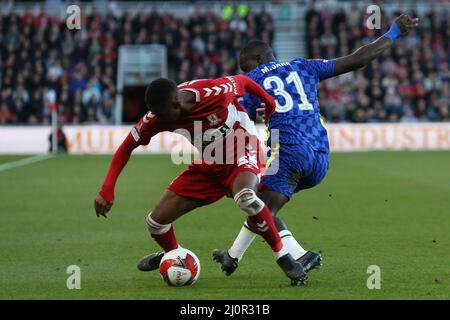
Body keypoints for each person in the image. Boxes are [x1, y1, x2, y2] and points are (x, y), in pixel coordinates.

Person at [213, 14, 419, 277]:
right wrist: (392, 33)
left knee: (257, 206)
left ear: (259, 60)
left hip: (289, 153)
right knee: (262, 206)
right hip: (321, 159)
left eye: (247, 66)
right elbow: (358, 59)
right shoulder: (305, 67)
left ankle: (300, 256)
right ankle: (232, 256)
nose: (246, 72)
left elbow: (233, 123)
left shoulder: (250, 83)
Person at [94, 75, 308, 285]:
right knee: (156, 223)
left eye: (160, 113)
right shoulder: (156, 116)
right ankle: (173, 255)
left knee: (246, 197)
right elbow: (126, 147)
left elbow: (244, 81)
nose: (156, 118)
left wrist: (269, 105)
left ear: (175, 103)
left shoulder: (214, 93)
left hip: (243, 148)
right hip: (209, 162)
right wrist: (107, 188)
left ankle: (283, 256)